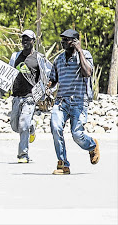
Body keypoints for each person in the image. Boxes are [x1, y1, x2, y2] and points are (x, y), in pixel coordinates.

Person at [48, 29, 100, 175]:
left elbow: (87, 73)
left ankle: (92, 145)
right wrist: (48, 86)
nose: (63, 42)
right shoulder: (58, 60)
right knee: (55, 126)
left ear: (75, 41)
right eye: (62, 39)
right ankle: (63, 164)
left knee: (77, 134)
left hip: (79, 102)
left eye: (66, 40)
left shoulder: (85, 55)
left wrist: (80, 51)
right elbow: (53, 79)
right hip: (61, 102)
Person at [8, 30, 42, 163]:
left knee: (23, 125)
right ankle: (31, 127)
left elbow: (44, 77)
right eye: (23, 39)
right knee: (15, 126)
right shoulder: (15, 56)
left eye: (28, 39)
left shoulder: (38, 58)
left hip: (30, 97)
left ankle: (23, 155)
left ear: (34, 41)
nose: (25, 41)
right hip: (17, 96)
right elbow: (9, 73)